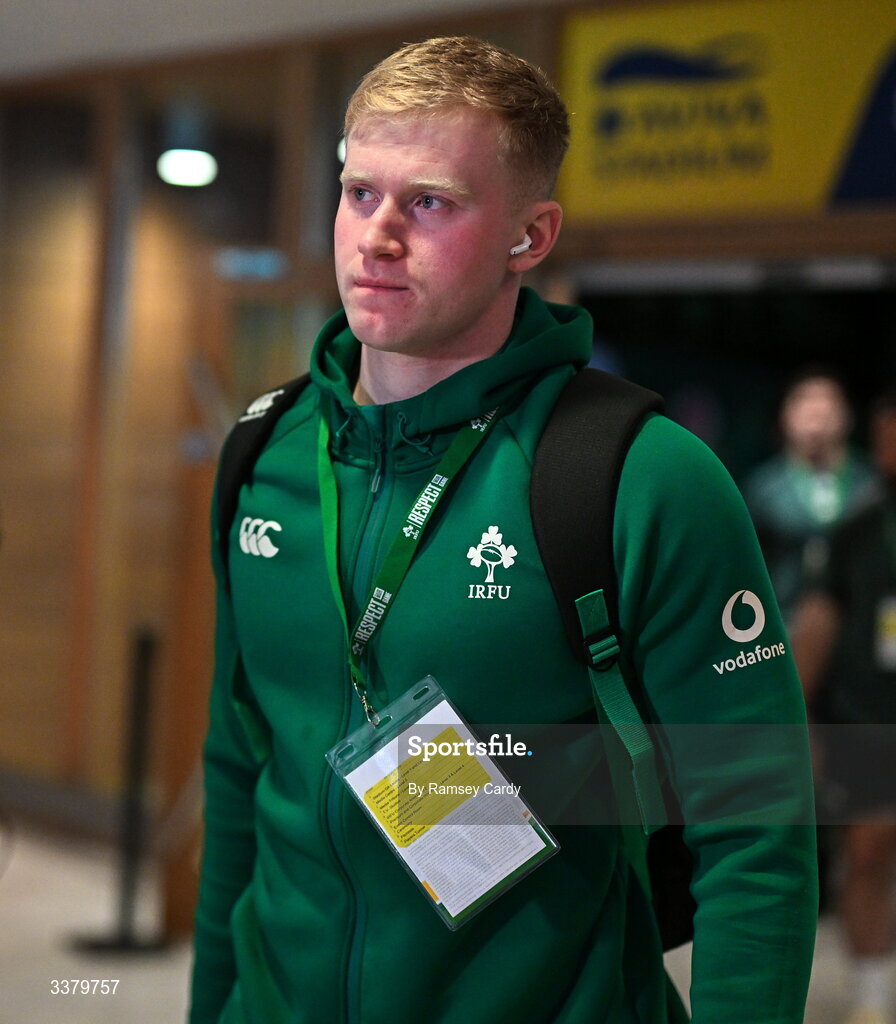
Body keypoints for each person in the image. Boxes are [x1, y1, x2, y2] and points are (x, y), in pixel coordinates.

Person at [189, 36, 817, 1024]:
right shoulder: (264, 454)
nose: (376, 235)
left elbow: (756, 829)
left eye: (427, 202)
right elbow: (238, 767)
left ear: (529, 236)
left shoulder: (638, 476)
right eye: (359, 193)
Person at [793, 391, 896, 1024]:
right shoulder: (857, 531)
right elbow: (817, 625)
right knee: (868, 848)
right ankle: (873, 994)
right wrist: (794, 719)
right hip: (869, 721)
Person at [744, 367, 879, 627]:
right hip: (784, 626)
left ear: (847, 416)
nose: (816, 416)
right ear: (786, 416)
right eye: (806, 405)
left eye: (826, 406)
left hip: (859, 630)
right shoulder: (763, 489)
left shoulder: (871, 485)